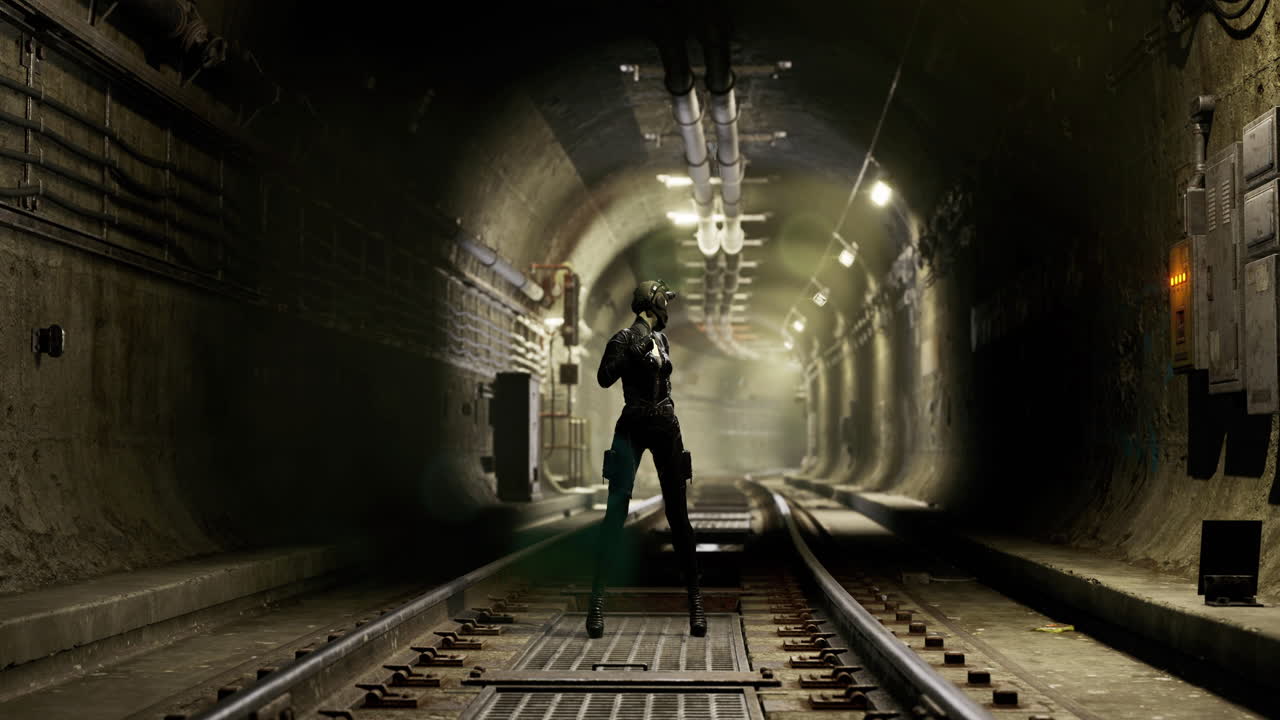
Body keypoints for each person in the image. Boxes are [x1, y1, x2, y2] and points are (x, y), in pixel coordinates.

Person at [586, 279, 705, 639]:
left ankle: (696, 604)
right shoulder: (624, 339)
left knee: (679, 516)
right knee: (615, 514)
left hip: (665, 424)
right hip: (634, 422)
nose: (668, 307)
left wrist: (653, 354)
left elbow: (663, 374)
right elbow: (604, 377)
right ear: (653, 304)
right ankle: (596, 604)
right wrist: (635, 351)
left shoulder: (663, 340)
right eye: (664, 301)